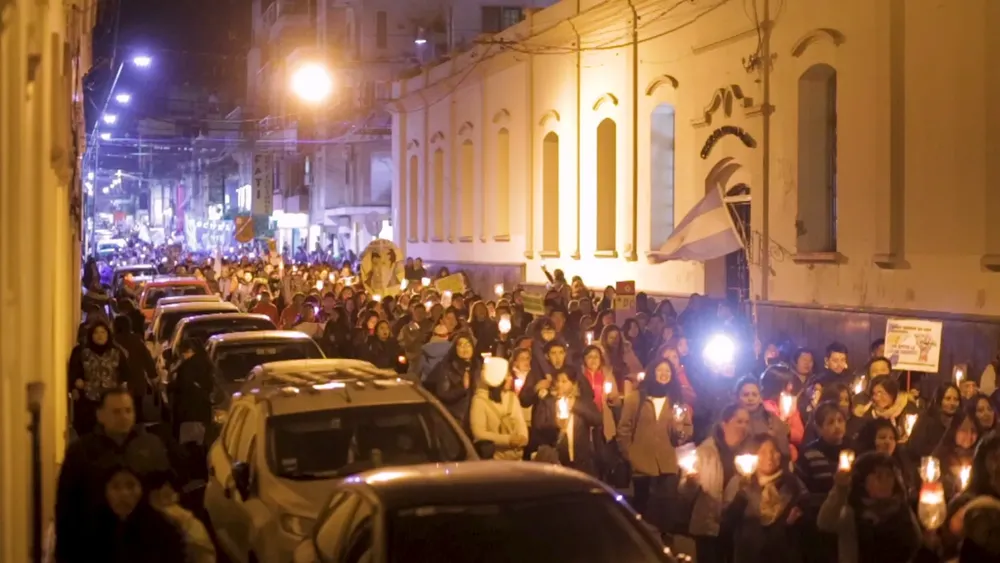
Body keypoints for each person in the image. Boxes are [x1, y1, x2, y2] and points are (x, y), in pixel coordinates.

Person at [55, 389, 174, 562]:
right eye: (116, 412)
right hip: (94, 549)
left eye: (128, 410)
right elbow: (66, 509)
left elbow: (168, 502)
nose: (124, 416)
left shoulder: (151, 447)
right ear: (100, 415)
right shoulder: (81, 452)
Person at [76, 464, 188, 563]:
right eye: (115, 487)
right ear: (105, 491)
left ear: (142, 490)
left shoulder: (162, 530)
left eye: (130, 486)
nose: (124, 493)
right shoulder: (91, 530)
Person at [67, 319, 131, 436]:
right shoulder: (82, 352)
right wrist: (76, 383)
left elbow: (126, 373)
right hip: (88, 401)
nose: (100, 336)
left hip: (110, 401)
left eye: (103, 332)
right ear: (91, 335)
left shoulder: (116, 352)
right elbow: (74, 373)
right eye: (96, 333)